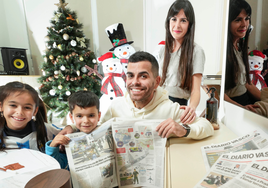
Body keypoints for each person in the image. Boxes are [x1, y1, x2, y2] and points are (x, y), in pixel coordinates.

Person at [99, 51, 213, 139]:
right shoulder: (115, 106)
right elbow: (98, 130)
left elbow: (207, 126)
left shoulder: (170, 109)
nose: (135, 82)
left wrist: (184, 130)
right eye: (130, 76)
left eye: (143, 76)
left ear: (157, 82)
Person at [158, 0, 205, 124]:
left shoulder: (196, 51)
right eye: (174, 19)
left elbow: (196, 90)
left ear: (190, 24)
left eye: (183, 20)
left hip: (177, 108)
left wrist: (192, 108)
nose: (177, 25)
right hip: (158, 106)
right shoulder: (163, 50)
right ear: (168, 21)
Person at [45, 90, 101, 169]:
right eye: (79, 116)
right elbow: (59, 166)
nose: (86, 121)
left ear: (99, 116)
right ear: (71, 118)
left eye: (91, 115)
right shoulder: (68, 140)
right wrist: (53, 146)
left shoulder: (106, 131)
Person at [0, 81, 61, 152]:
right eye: (13, 105)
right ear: (1, 106)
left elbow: (71, 135)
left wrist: (71, 127)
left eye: (27, 107)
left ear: (35, 111)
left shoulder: (47, 130)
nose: (19, 112)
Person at [224, 0, 260, 112]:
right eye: (238, 20)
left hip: (246, 100)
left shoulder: (240, 46)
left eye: (247, 18)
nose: (244, 24)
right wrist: (241, 108)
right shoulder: (224, 51)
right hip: (234, 105)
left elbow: (247, 84)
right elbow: (214, 91)